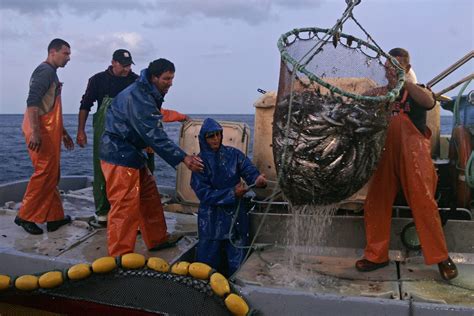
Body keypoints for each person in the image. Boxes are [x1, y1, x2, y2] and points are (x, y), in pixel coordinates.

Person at [355, 48, 458, 281]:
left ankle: (441, 257)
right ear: (384, 69)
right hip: (383, 155)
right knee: (376, 202)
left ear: (408, 68)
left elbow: (429, 102)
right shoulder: (379, 94)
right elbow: (361, 111)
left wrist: (405, 82)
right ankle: (376, 256)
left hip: (414, 155)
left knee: (424, 202)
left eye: (399, 66)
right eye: (389, 66)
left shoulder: (418, 91)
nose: (393, 70)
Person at [99, 58, 203, 257]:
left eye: (172, 79)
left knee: (150, 198)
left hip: (133, 155)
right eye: (166, 79)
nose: (170, 83)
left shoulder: (147, 92)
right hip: (119, 156)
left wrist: (180, 116)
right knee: (124, 206)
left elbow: (154, 117)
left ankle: (157, 240)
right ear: (154, 77)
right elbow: (153, 134)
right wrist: (184, 158)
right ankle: (120, 256)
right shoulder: (137, 96)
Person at [76, 49, 187, 227]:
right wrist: (80, 131)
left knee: (145, 175)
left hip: (136, 135)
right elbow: (85, 105)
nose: (127, 69)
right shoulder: (98, 80)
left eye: (129, 65)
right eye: (123, 65)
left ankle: (139, 219)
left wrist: (152, 139)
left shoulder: (137, 81)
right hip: (108, 135)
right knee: (103, 174)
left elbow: (153, 114)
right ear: (113, 62)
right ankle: (104, 214)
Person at [190, 118, 267, 276]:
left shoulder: (234, 155)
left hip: (236, 219)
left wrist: (257, 179)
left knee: (237, 266)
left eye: (218, 134)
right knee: (206, 269)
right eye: (211, 136)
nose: (216, 139)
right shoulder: (198, 162)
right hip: (210, 221)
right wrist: (232, 193)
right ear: (204, 138)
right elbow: (203, 193)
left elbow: (249, 170)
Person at [15, 38, 74, 235]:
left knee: (51, 174)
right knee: (44, 174)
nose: (68, 58)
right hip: (41, 131)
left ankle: (54, 218)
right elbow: (32, 103)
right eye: (65, 53)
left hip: (50, 131)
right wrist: (36, 132)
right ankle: (25, 216)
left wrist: (63, 132)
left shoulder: (52, 74)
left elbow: (50, 107)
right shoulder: (45, 72)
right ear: (53, 52)